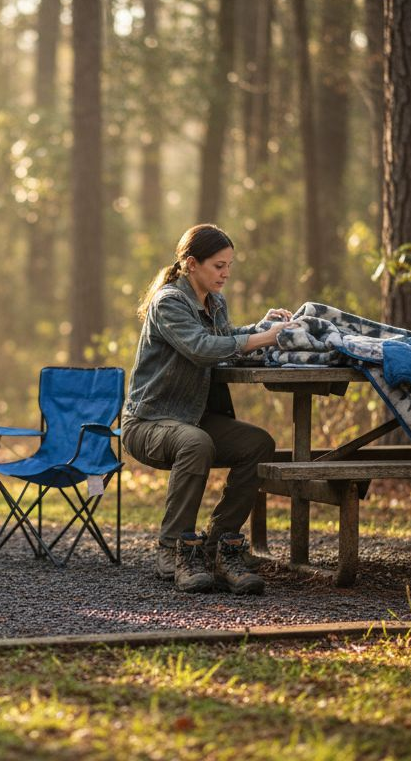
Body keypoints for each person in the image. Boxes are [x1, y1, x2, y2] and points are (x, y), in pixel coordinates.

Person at [123, 224, 294, 595]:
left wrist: (262, 327)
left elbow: (223, 339)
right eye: (218, 266)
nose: (226, 274)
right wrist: (262, 339)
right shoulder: (168, 301)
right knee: (195, 442)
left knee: (258, 443)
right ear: (190, 264)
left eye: (229, 265)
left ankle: (220, 544)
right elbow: (201, 348)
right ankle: (174, 548)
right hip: (149, 422)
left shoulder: (215, 303)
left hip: (192, 418)